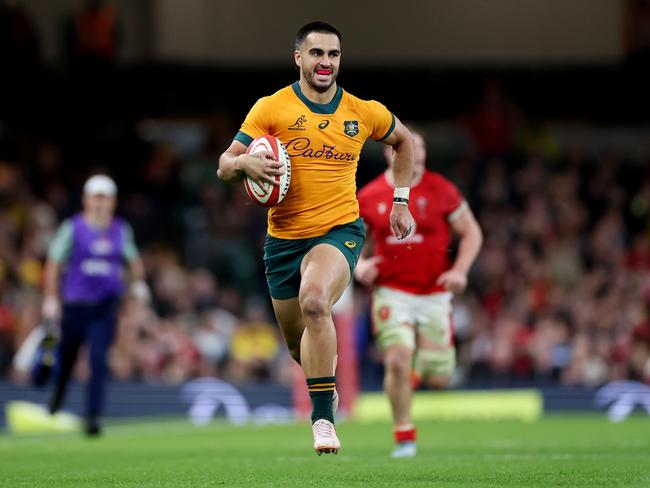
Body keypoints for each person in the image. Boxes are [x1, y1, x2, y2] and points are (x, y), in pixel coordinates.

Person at [217, 21, 415, 455]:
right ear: (299, 58)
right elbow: (224, 165)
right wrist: (245, 166)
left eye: (334, 55)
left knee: (314, 302)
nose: (326, 62)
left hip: (339, 231)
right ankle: (324, 385)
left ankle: (322, 418)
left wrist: (401, 198)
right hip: (283, 240)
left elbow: (405, 143)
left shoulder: (362, 112)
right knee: (297, 346)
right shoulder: (272, 108)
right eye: (317, 54)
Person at [355, 128, 483, 458]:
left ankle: (413, 370)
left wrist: (459, 271)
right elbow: (349, 241)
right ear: (390, 153)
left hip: (434, 294)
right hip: (391, 292)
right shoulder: (369, 196)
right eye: (410, 148)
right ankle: (405, 437)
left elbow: (472, 233)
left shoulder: (442, 190)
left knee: (439, 378)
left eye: (421, 148)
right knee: (396, 360)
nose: (417, 154)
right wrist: (359, 266)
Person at [41, 174, 150, 436]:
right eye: (96, 198)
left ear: (113, 202)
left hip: (104, 306)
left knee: (98, 359)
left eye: (105, 198)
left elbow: (134, 262)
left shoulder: (120, 230)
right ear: (86, 200)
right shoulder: (73, 228)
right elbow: (54, 263)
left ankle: (92, 417)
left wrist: (137, 283)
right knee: (66, 357)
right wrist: (51, 298)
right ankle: (58, 393)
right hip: (76, 304)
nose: (100, 204)